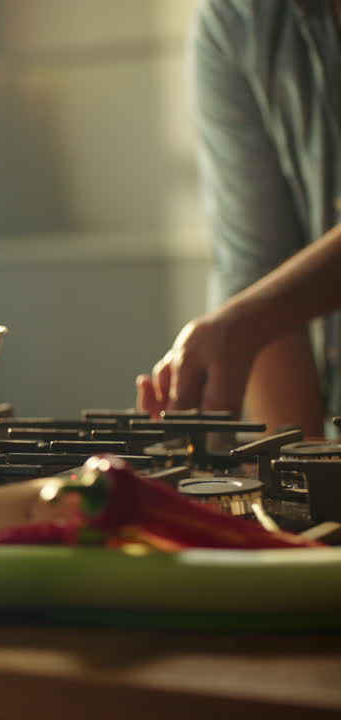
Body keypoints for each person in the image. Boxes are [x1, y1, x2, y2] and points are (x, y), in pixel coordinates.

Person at [136, 0, 341, 438]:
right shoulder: (233, 22)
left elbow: (257, 314)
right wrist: (295, 489)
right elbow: (258, 268)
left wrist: (247, 322)